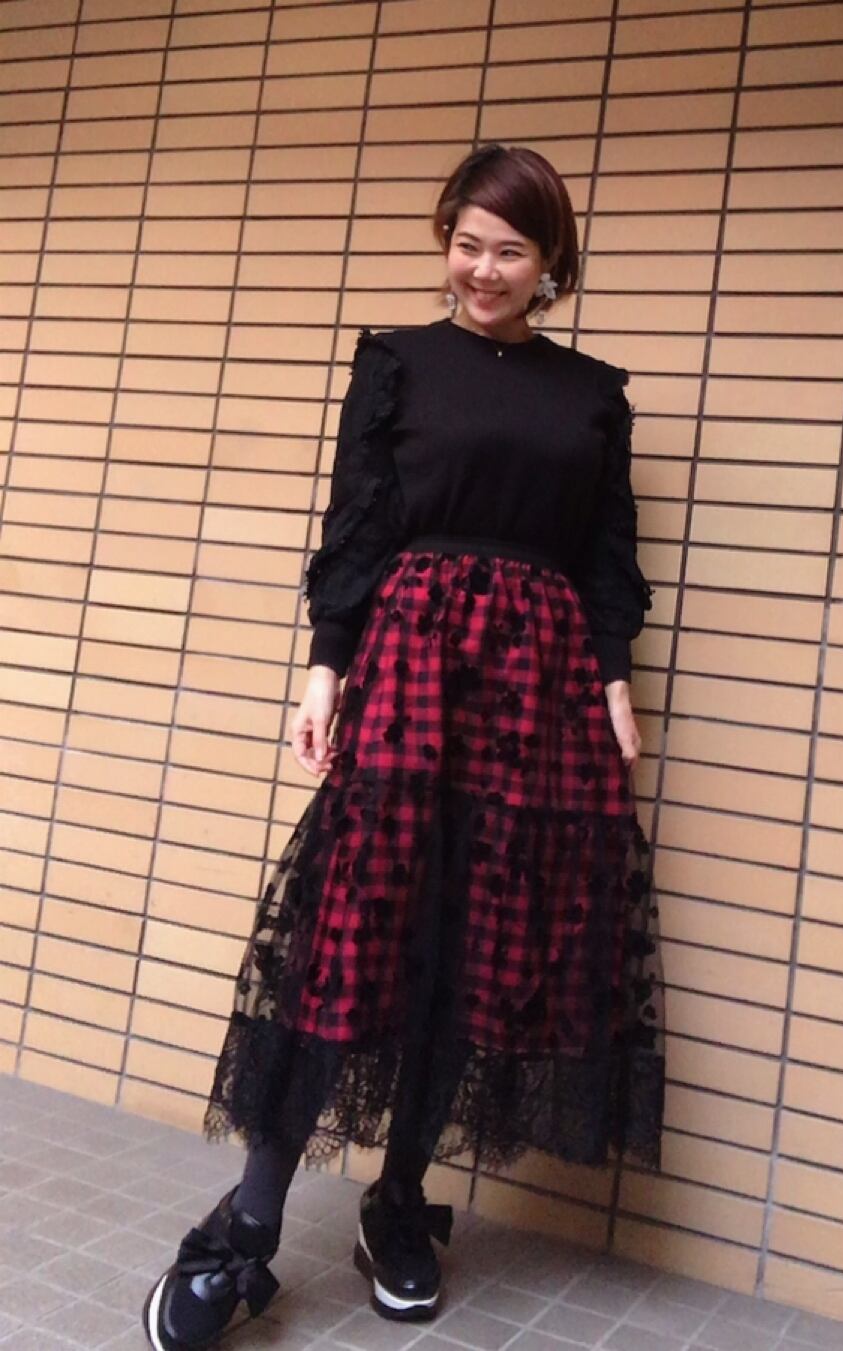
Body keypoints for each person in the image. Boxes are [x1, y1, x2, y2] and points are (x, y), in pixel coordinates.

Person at [142, 142, 666, 1351]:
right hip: (413, 662)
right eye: (466, 243)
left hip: (537, 685)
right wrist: (323, 671)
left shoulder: (591, 394)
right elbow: (357, 527)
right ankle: (249, 1224)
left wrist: (611, 681)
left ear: (550, 263)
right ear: (446, 242)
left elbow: (605, 556)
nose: (482, 268)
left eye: (509, 250)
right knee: (354, 926)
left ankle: (397, 1204)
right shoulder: (394, 365)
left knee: (477, 944)